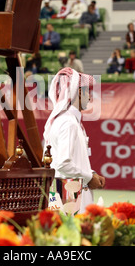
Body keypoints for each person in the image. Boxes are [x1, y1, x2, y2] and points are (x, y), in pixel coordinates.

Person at [43, 67, 105, 214]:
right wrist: (90, 177)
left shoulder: (64, 120)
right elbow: (63, 164)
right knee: (72, 234)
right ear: (78, 92)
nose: (90, 97)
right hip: (69, 197)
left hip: (63, 193)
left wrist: (91, 172)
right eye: (87, 91)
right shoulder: (67, 122)